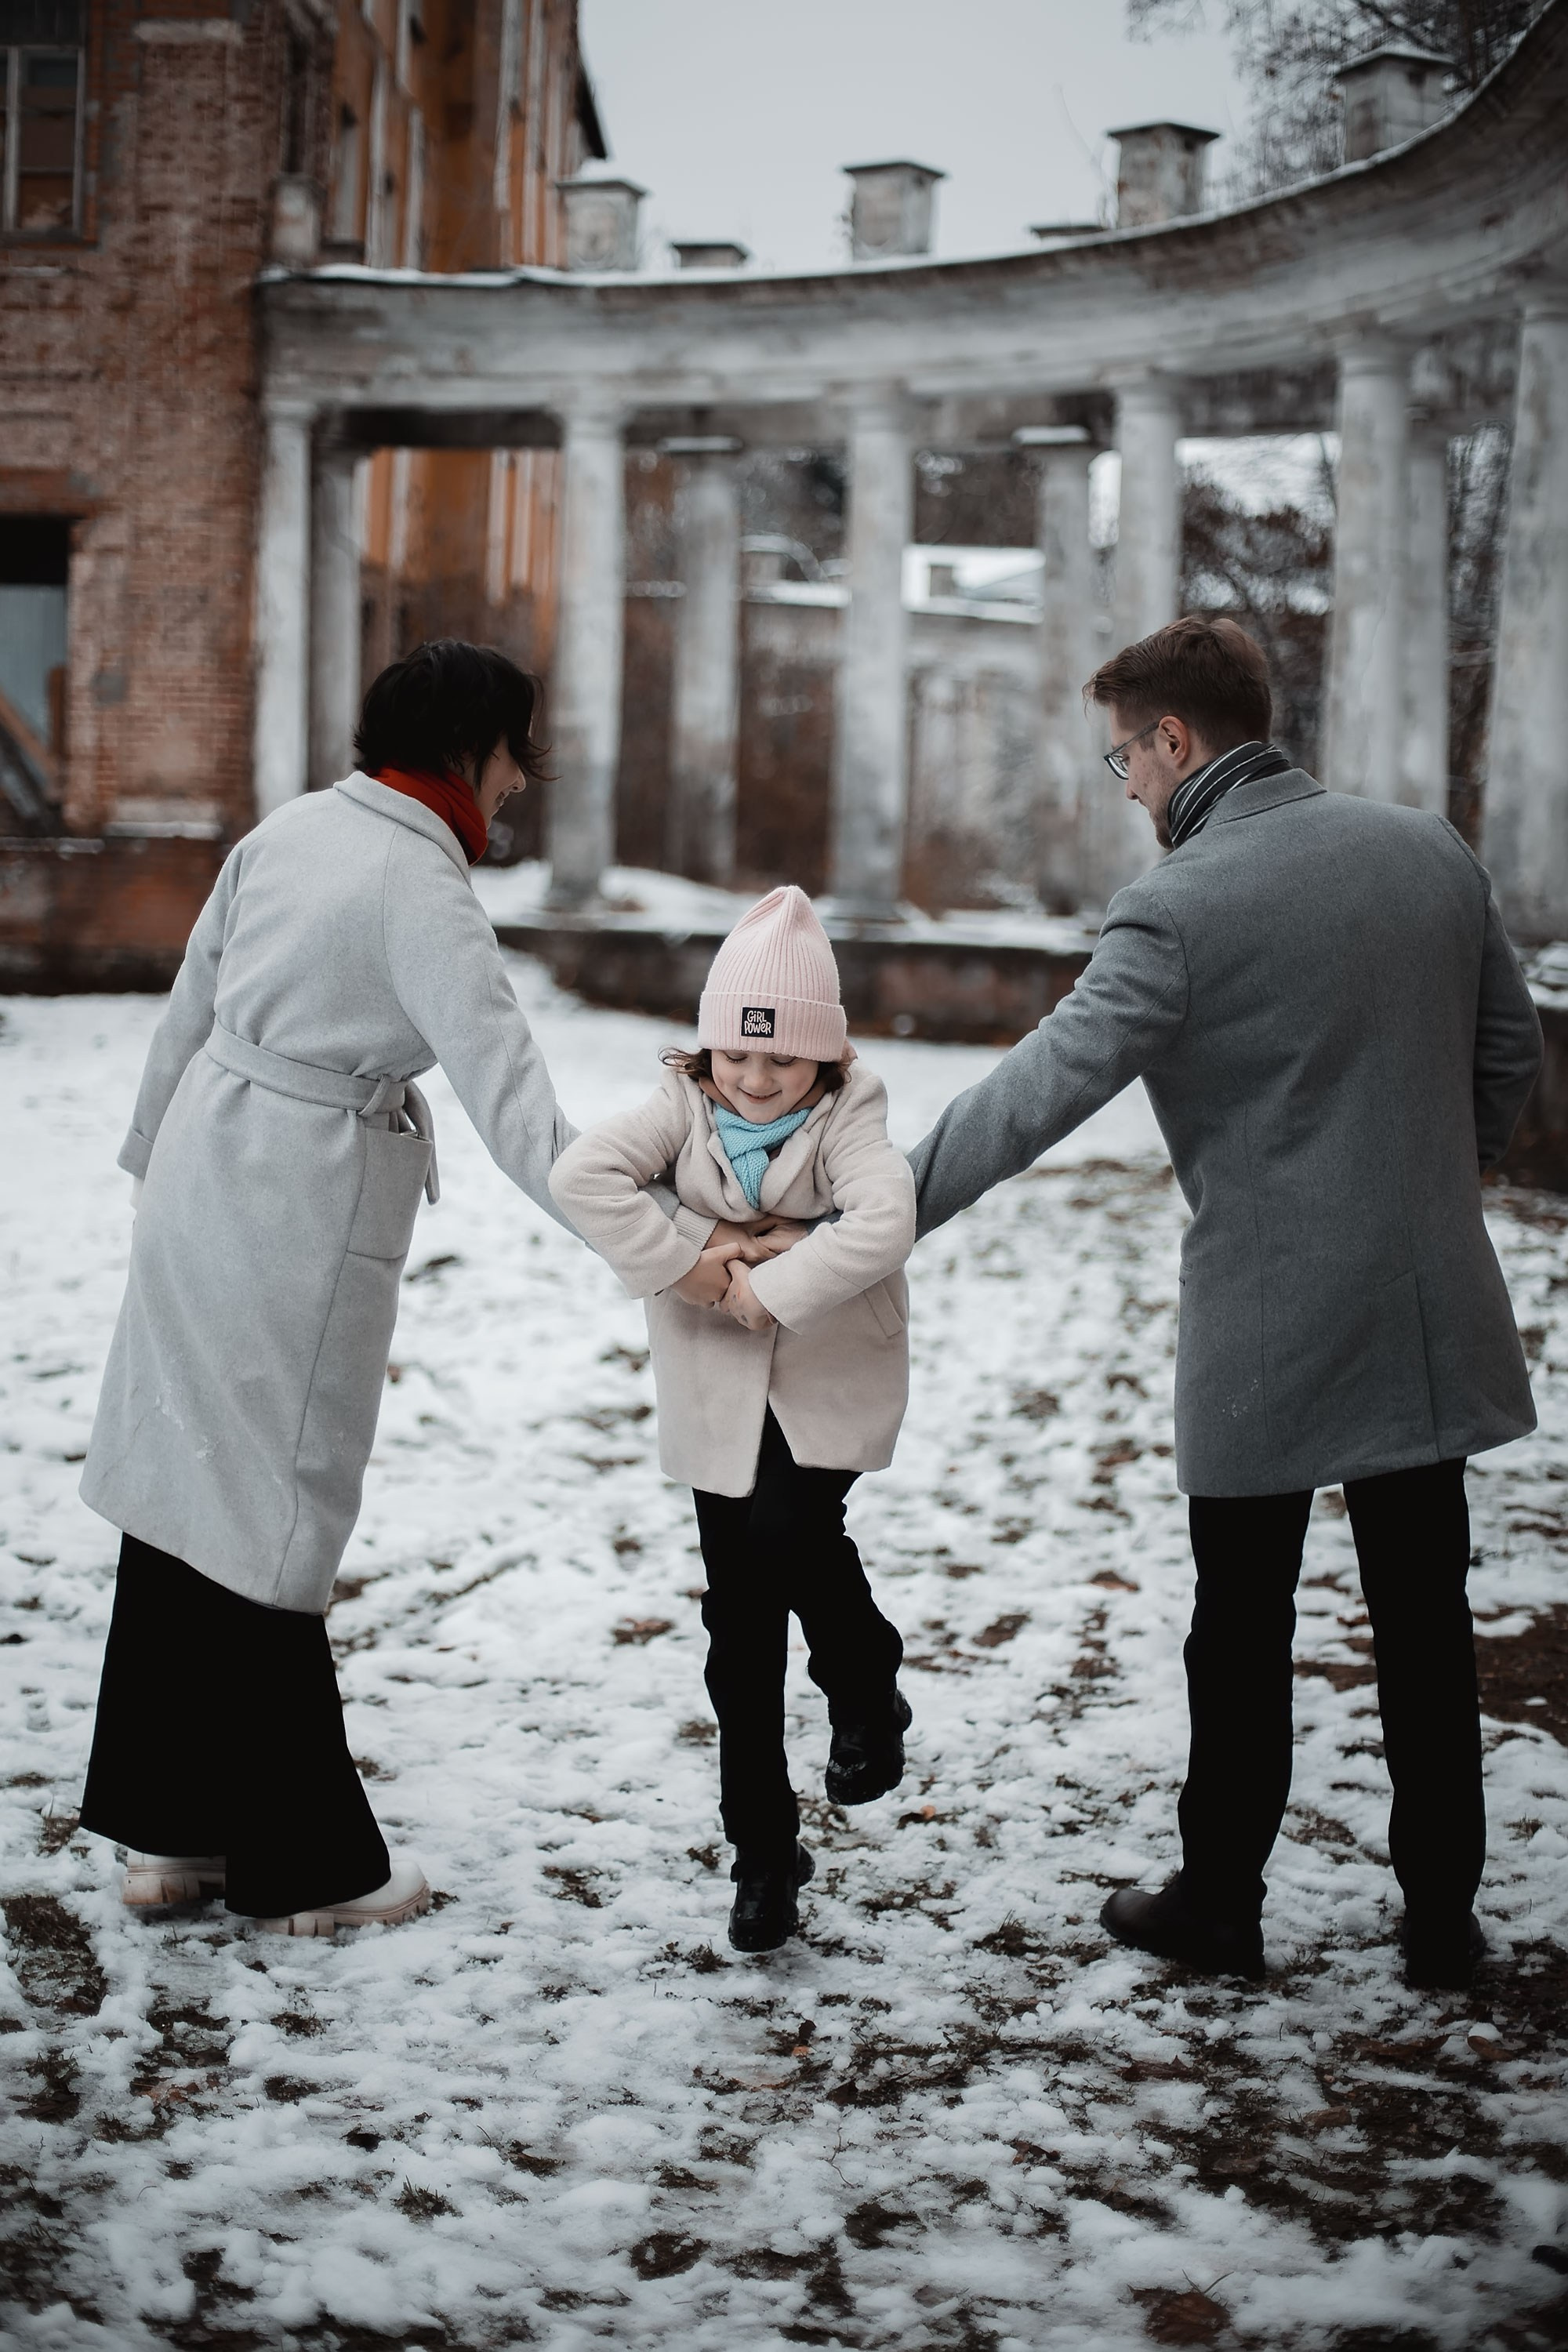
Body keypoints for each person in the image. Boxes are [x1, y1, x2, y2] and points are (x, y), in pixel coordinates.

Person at [906, 615, 1543, 1991]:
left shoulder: (1180, 904)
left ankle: (1220, 1900)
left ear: (1176, 739)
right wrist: (1438, 1182)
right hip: (1428, 1303)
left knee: (1241, 1624)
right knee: (1428, 1617)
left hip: (1267, 1320)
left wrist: (872, 1212)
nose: (1125, 783)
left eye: (1123, 757)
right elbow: (1509, 1050)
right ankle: (1442, 1915)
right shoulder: (1427, 848)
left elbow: (1033, 1098)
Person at [76, 641, 698, 1934]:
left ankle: (179, 1833)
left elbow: (188, 1012)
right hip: (296, 1198)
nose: (525, 780)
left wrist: (155, 1169)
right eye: (519, 750)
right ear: (472, 750)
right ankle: (309, 1868)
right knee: (273, 1512)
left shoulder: (291, 830)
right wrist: (671, 1254)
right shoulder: (421, 882)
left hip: (203, 1170)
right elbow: (521, 1115)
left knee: (186, 1481)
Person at [550, 886, 917, 1953]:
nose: (756, 1081)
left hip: (824, 1374)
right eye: (737, 1059)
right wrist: (698, 1270)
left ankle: (864, 1678)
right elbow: (586, 1175)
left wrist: (774, 1280)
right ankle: (762, 1853)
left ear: (826, 1061)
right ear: (709, 1050)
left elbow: (883, 1222)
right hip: (717, 1384)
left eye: (784, 1062)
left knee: (792, 1531)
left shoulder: (853, 1114)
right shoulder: (685, 1101)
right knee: (738, 1631)